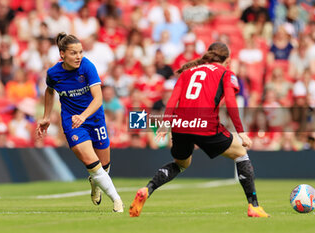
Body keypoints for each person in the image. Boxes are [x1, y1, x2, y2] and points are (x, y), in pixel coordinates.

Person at [129, 42, 270, 218]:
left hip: (180, 124)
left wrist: (166, 124)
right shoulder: (226, 73)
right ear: (227, 59)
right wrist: (241, 132)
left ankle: (147, 189)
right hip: (205, 124)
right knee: (241, 153)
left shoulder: (187, 72)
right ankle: (254, 206)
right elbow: (232, 103)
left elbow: (173, 99)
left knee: (181, 164)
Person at [36, 32, 124, 212]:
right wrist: (46, 116)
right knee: (92, 162)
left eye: (80, 52)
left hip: (95, 118)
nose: (78, 57)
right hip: (72, 122)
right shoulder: (53, 73)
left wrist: (84, 116)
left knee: (104, 166)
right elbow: (49, 91)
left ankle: (95, 183)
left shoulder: (87, 67)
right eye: (73, 53)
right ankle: (117, 200)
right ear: (62, 54)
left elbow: (98, 99)